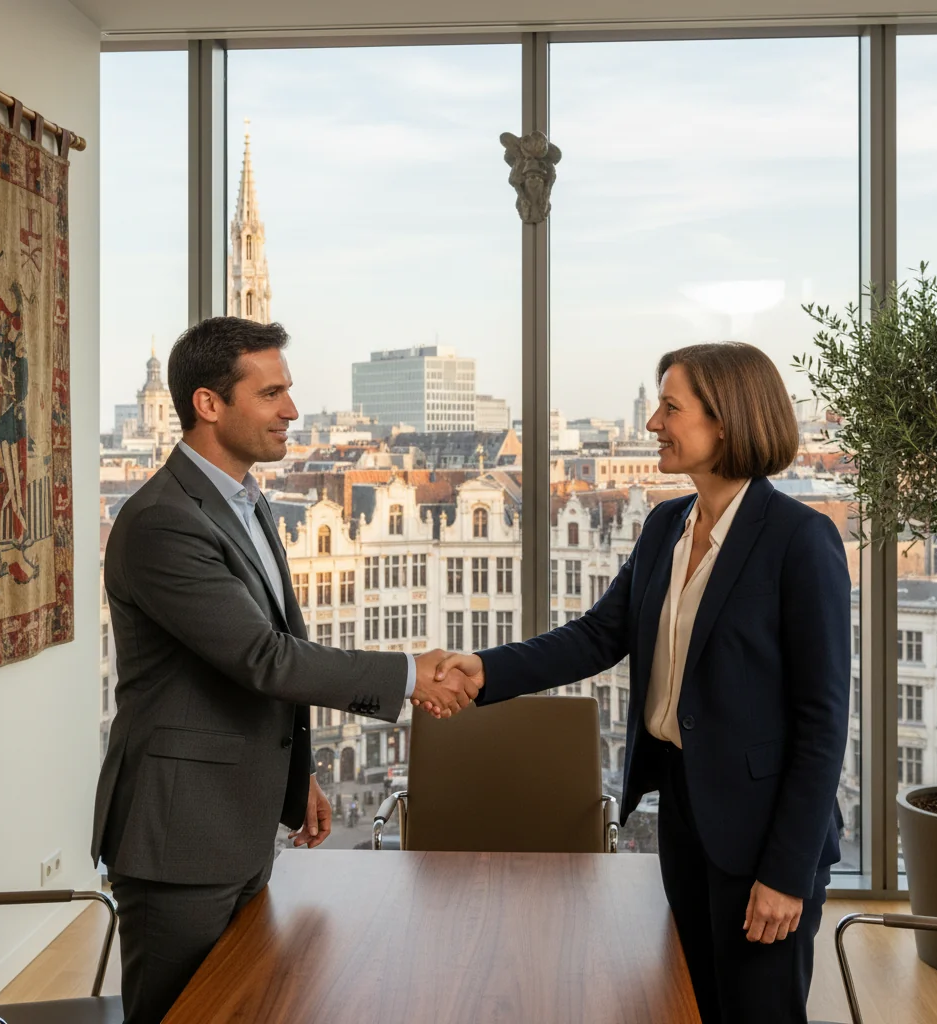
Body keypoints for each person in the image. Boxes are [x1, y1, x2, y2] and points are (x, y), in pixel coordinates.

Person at [424, 342, 850, 1024]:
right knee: (691, 1001)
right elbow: (598, 635)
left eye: (670, 408)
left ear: (727, 423)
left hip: (763, 828)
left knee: (757, 1010)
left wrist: (785, 872)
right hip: (684, 809)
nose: (653, 423)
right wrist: (487, 669)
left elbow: (824, 722)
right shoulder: (664, 526)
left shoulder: (801, 542)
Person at [92, 317, 477, 1024]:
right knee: (184, 1012)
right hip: (180, 833)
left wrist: (295, 773)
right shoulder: (162, 522)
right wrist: (407, 676)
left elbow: (260, 651)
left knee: (242, 1006)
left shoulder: (247, 502)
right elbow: (264, 659)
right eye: (272, 394)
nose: (292, 411)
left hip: (232, 821)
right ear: (209, 404)